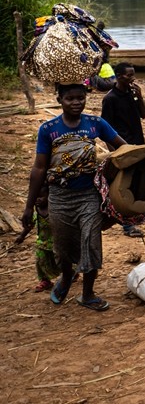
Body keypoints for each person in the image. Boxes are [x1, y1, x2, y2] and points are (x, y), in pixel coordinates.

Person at [22, 83, 126, 311]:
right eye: (70, 98)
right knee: (63, 247)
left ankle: (88, 294)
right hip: (59, 197)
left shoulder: (95, 124)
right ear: (59, 99)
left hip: (89, 195)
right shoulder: (48, 129)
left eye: (81, 98)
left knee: (91, 242)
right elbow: (39, 168)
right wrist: (29, 206)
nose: (76, 102)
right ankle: (67, 278)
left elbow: (122, 148)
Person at [101, 62, 145, 238]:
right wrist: (114, 154)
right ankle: (128, 226)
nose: (132, 78)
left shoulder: (132, 94)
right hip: (122, 148)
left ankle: (131, 221)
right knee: (125, 187)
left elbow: (143, 115)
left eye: (133, 74)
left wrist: (140, 97)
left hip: (137, 144)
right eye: (129, 75)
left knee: (136, 184)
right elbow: (105, 129)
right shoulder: (110, 99)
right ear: (119, 76)